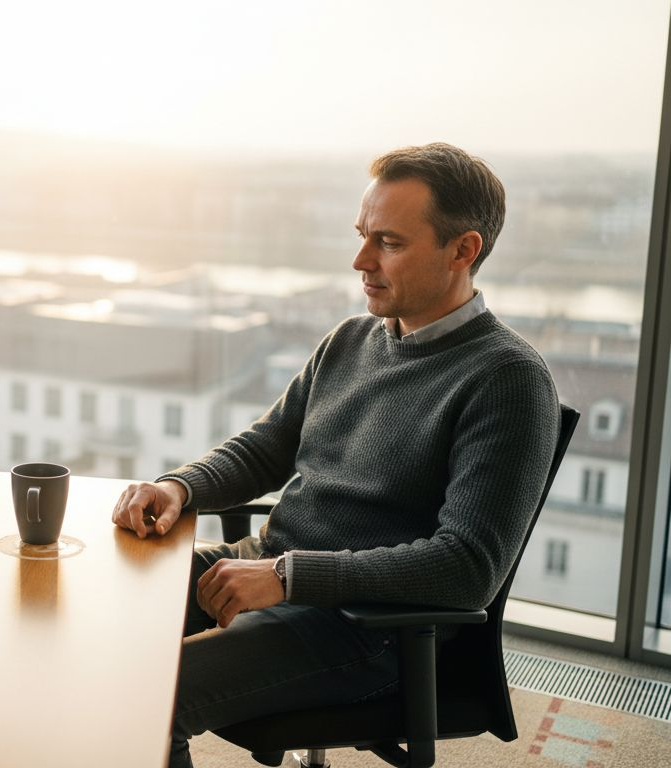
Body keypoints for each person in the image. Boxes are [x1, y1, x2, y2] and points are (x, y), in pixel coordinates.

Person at [110, 143, 560, 767]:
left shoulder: (508, 380)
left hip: (366, 629)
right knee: (100, 605)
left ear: (463, 250)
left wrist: (289, 576)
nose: (360, 261)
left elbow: (467, 567)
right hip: (268, 567)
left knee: (145, 695)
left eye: (388, 243)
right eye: (362, 236)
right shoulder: (351, 339)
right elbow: (266, 449)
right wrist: (179, 487)